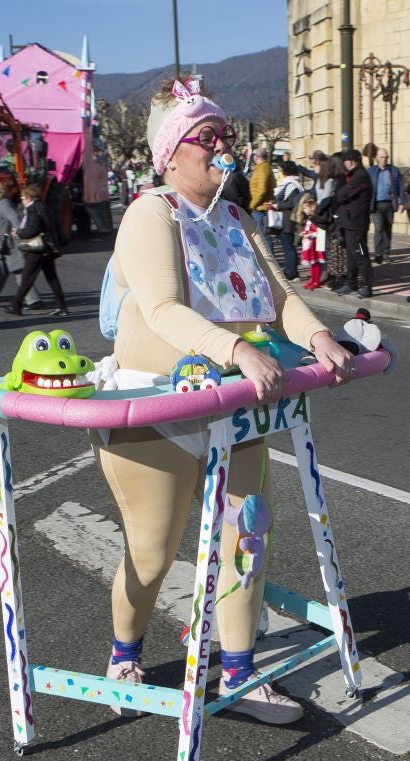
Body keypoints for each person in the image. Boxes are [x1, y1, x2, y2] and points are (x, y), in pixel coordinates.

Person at [96, 76, 355, 725]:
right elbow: (159, 309)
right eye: (207, 137)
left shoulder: (236, 219)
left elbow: (280, 297)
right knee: (152, 552)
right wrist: (236, 350)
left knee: (247, 537)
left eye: (225, 135)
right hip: (152, 410)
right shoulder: (150, 212)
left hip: (234, 408)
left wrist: (319, 336)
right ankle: (124, 651)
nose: (222, 147)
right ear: (172, 151)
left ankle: (239, 671)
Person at [9, 185, 68, 316]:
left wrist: (18, 233)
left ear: (29, 198)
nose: (22, 200)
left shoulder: (32, 209)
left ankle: (16, 305)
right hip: (48, 247)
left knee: (27, 277)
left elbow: (32, 229)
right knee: (52, 278)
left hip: (37, 249)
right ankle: (61, 306)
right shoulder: (43, 207)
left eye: (23, 198)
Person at [333, 148, 373, 298]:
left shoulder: (361, 175)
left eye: (345, 161)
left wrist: (341, 194)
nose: (344, 164)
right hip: (350, 222)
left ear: (351, 162)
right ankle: (351, 282)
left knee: (361, 253)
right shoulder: (354, 175)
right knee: (351, 255)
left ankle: (367, 284)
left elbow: (343, 194)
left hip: (357, 223)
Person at [367, 147, 402, 263]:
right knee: (379, 228)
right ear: (377, 158)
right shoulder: (371, 171)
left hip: (389, 204)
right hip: (376, 205)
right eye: (382, 157)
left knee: (388, 229)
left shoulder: (394, 170)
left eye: (386, 157)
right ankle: (378, 254)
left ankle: (386, 254)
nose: (384, 159)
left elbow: (400, 187)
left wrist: (401, 202)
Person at [271, 160, 304, 279]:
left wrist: (278, 206)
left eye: (282, 170)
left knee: (289, 247)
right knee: (287, 246)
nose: (280, 173)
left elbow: (292, 203)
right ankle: (290, 269)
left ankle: (292, 272)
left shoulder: (292, 185)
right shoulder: (288, 184)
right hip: (285, 219)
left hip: (288, 220)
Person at [297, 195, 325, 289]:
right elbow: (308, 229)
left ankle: (316, 281)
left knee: (316, 262)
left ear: (312, 206)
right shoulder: (310, 218)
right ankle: (312, 280)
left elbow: (319, 231)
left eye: (305, 208)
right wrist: (304, 232)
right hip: (311, 243)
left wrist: (310, 235)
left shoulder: (316, 217)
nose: (304, 210)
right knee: (312, 263)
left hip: (317, 242)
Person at [247, 147, 276, 236]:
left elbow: (261, 190)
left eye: (254, 155)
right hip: (259, 207)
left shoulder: (263, 168)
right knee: (262, 237)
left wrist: (252, 204)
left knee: (263, 238)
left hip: (260, 208)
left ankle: (268, 251)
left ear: (257, 157)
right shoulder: (261, 168)